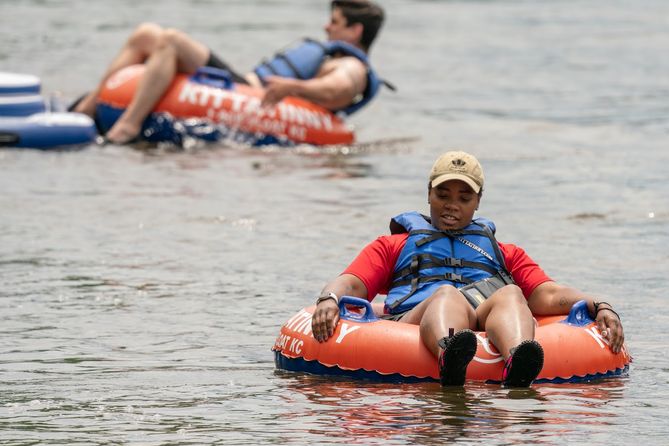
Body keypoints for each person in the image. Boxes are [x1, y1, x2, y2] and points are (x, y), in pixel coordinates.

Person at [311, 151, 626, 388]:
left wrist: (597, 303)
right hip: (414, 321)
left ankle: (518, 360)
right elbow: (353, 283)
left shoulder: (504, 252)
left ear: (477, 202)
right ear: (429, 194)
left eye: (464, 197)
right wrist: (329, 297)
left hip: (478, 319)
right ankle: (449, 354)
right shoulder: (393, 246)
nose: (452, 205)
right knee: (446, 294)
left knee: (512, 292)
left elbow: (548, 293)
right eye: (443, 195)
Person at [72, 0, 385, 144]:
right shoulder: (334, 54)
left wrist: (293, 86)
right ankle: (85, 110)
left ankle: (126, 127)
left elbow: (335, 89)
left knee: (169, 40)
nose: (326, 26)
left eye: (335, 22)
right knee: (145, 34)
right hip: (244, 84)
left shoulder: (351, 66)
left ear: (355, 30)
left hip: (257, 96)